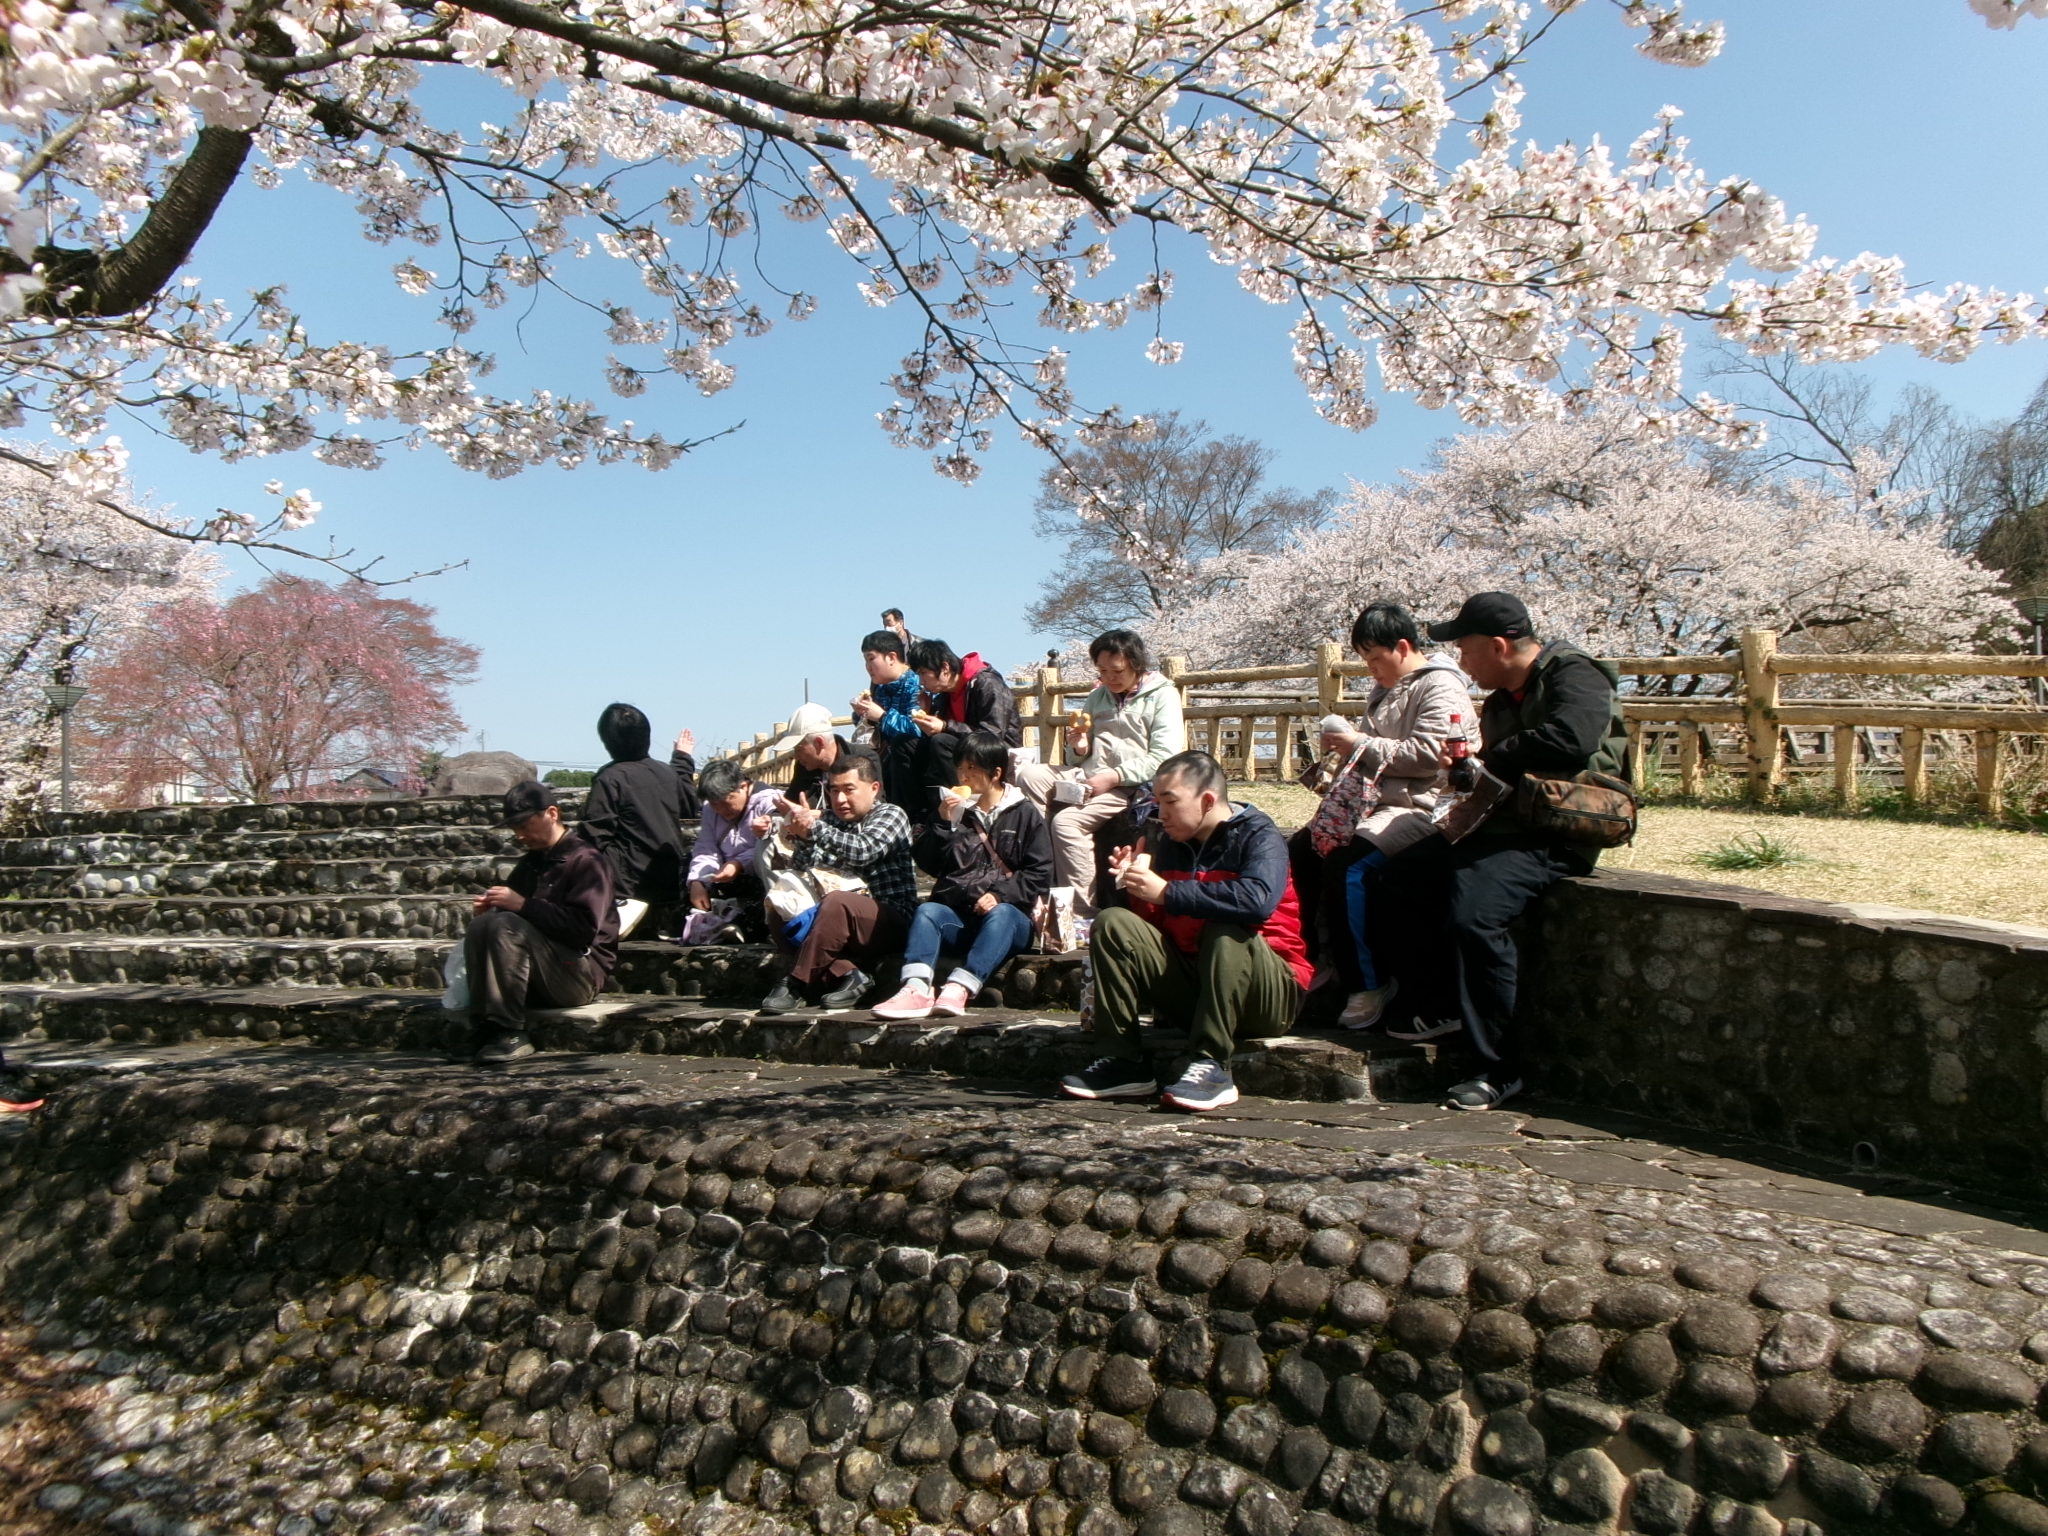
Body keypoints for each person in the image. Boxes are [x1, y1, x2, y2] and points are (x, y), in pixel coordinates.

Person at [1377, 591, 1626, 1112]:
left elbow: (1572, 738)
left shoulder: (1575, 674)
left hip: (1559, 830)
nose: (1462, 663)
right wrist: (1465, 769)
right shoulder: (1497, 703)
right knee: (1401, 876)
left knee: (1475, 917)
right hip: (1502, 826)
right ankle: (1440, 1007)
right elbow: (1496, 773)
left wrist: (1491, 755)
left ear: (1498, 646)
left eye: (1466, 650)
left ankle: (1497, 1068)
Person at [1058, 751, 1311, 1112]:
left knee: (1225, 924)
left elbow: (1257, 903)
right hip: (1197, 989)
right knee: (1113, 922)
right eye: (1157, 802)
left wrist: (1166, 892)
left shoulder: (1258, 835)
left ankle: (1212, 1065)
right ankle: (1122, 1061)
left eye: (1170, 802)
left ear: (1207, 800)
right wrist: (1138, 887)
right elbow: (1160, 926)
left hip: (1266, 996)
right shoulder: (1172, 844)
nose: (1161, 814)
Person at [1286, 602, 1467, 1030]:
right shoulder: (1389, 688)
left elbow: (1428, 756)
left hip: (1417, 806)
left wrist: (1358, 744)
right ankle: (1310, 960)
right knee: (1298, 852)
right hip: (1373, 802)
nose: (1371, 669)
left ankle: (1366, 982)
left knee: (1349, 866)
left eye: (1375, 659)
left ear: (1402, 647)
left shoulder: (1440, 686)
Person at [872, 731, 1054, 1021]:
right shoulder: (957, 812)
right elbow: (931, 865)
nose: (963, 775)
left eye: (972, 768)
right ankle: (915, 988)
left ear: (996, 773)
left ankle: (960, 987)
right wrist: (942, 824)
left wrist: (999, 895)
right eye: (959, 767)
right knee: (928, 911)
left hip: (1009, 921)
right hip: (962, 917)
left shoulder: (1025, 813)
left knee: (1003, 914)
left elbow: (1040, 872)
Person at [1015, 628, 1185, 914]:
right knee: (1028, 775)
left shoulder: (1162, 696)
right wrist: (1080, 747)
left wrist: (1114, 776)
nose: (1109, 678)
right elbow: (1078, 756)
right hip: (1089, 774)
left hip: (1131, 785)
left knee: (1066, 823)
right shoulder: (1098, 696)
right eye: (1102, 671)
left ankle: (1080, 911)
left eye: (1116, 671)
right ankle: (1042, 871)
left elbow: (1164, 757)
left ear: (1136, 664)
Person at [463, 781, 620, 1063]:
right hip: (537, 970)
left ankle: (509, 1030)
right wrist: (490, 911)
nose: (520, 835)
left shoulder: (587, 861)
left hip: (578, 974)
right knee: (482, 926)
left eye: (525, 826)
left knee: (505, 925)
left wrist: (523, 905)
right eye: (515, 829)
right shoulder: (531, 863)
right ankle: (484, 1025)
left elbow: (582, 931)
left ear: (552, 813)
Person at [759, 750, 917, 1015]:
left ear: (874, 788)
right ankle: (850, 974)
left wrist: (815, 828)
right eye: (834, 791)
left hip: (887, 918)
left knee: (838, 903)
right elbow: (803, 870)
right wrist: (804, 837)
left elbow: (863, 850)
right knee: (779, 905)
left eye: (849, 790)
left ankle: (796, 984)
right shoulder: (829, 820)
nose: (840, 799)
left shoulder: (891, 814)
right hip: (832, 922)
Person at [583, 703, 697, 937]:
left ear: (607, 742)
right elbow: (688, 803)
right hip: (670, 885)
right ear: (647, 736)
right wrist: (682, 758)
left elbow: (594, 837)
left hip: (627, 891)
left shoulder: (610, 779)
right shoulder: (666, 773)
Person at [907, 638, 1021, 819]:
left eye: (923, 673)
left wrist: (945, 726)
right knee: (906, 744)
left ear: (945, 668)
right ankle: (915, 815)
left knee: (941, 741)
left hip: (996, 753)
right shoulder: (944, 694)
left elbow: (992, 735)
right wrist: (928, 712)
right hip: (961, 750)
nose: (921, 681)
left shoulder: (987, 683)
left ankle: (963, 809)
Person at [687, 757, 781, 934]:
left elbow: (776, 846)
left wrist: (738, 864)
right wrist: (698, 881)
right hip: (723, 875)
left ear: (743, 787)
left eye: (727, 801)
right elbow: (706, 847)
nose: (721, 810)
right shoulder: (709, 810)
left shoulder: (770, 802)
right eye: (715, 804)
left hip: (758, 876)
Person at [850, 629, 925, 814]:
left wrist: (882, 716)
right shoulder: (881, 689)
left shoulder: (917, 683)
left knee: (900, 745)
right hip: (886, 759)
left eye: (871, 659)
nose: (867, 667)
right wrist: (862, 715)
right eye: (865, 661)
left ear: (891, 657)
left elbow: (918, 730)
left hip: (915, 761)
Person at [779, 701, 852, 808]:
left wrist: (818, 815)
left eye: (799, 749)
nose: (796, 756)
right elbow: (791, 802)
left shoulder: (862, 760)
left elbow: (868, 809)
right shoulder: (803, 768)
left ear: (819, 742)